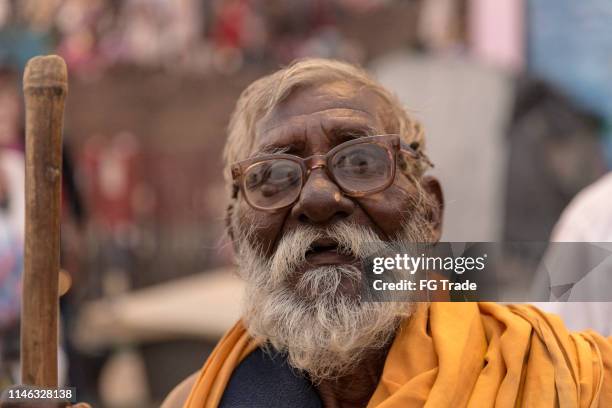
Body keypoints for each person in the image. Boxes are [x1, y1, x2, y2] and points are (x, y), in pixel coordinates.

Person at [160, 59, 612, 407]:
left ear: (430, 213)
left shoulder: (565, 381)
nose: (318, 200)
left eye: (361, 164)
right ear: (238, 239)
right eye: (274, 177)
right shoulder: (205, 400)